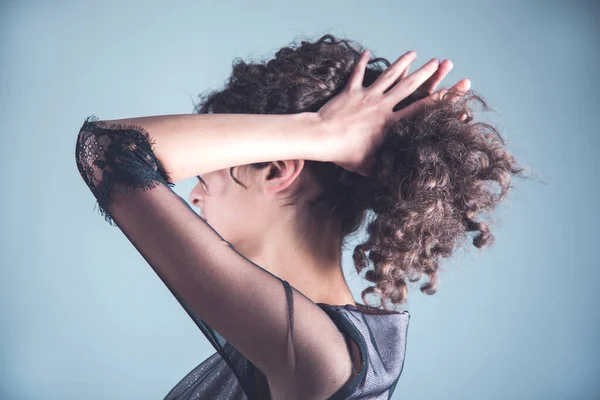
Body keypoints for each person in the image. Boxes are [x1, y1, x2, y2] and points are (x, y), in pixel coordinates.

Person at [74, 34, 526, 399]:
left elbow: (109, 152)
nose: (193, 197)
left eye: (205, 181)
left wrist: (321, 132)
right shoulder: (313, 347)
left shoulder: (322, 355)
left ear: (275, 169)